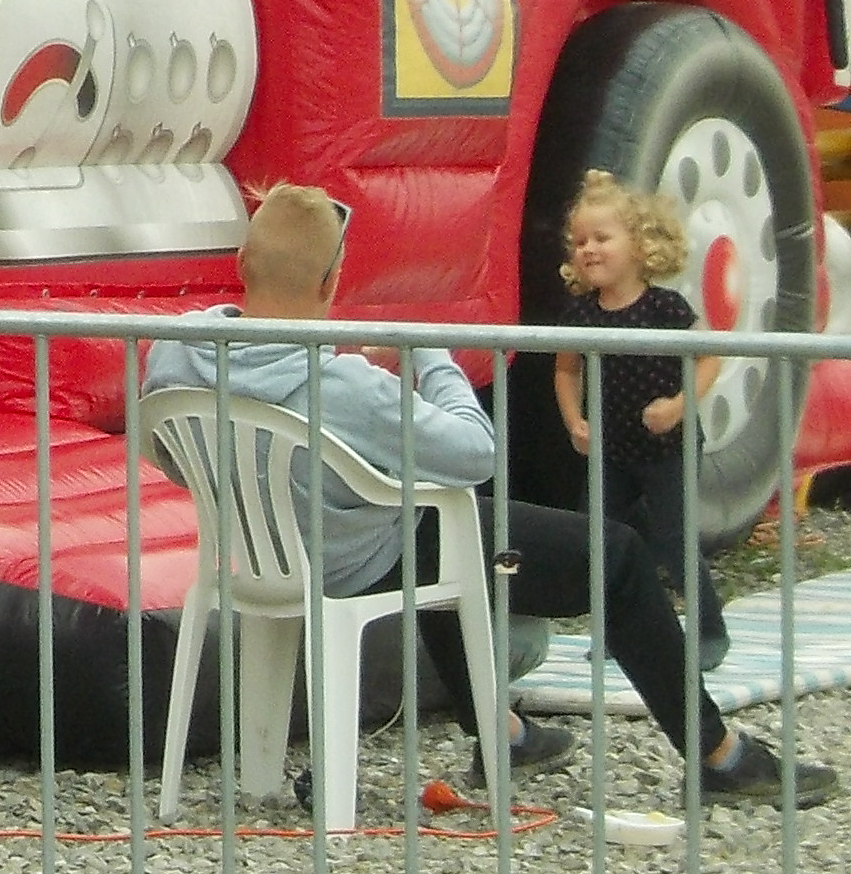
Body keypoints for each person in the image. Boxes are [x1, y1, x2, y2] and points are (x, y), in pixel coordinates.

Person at [143, 182, 833, 807]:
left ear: (242, 262)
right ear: (332, 282)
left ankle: (503, 732)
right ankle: (719, 754)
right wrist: (426, 356)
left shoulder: (176, 351)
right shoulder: (345, 387)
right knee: (615, 556)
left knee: (444, 529)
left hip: (258, 559)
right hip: (363, 558)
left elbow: (163, 448)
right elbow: (477, 451)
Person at [555, 169, 728, 671]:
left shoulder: (665, 308)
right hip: (612, 448)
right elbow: (565, 370)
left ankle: (709, 630)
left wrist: (679, 406)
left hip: (668, 447)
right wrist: (574, 421)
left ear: (639, 246)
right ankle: (622, 631)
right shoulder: (582, 315)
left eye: (601, 238)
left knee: (674, 539)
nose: (589, 249)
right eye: (580, 242)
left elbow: (710, 358)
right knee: (601, 539)